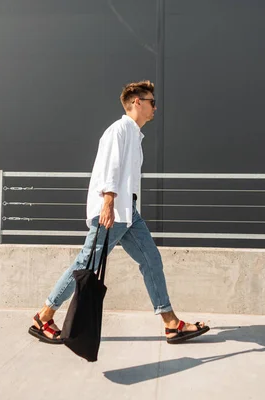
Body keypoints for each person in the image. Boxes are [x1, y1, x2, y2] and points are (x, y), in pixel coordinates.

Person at [28, 80, 209, 345]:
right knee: (84, 265)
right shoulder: (120, 130)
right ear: (137, 102)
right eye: (152, 102)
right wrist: (108, 204)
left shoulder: (135, 134)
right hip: (112, 212)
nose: (155, 108)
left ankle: (171, 324)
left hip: (128, 214)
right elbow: (108, 169)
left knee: (151, 260)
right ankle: (44, 316)